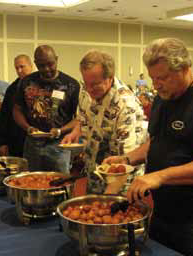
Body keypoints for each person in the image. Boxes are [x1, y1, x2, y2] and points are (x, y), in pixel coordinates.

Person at [104, 38, 193, 256]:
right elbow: (156, 142)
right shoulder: (162, 99)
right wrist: (127, 159)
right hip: (164, 211)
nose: (156, 85)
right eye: (153, 78)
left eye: (162, 78)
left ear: (184, 68)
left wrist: (158, 177)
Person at [61, 50, 145, 194]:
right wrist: (76, 131)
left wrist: (107, 199)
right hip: (94, 171)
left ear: (110, 78)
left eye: (94, 84)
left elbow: (125, 161)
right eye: (85, 83)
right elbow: (82, 117)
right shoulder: (86, 89)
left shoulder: (125, 104)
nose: (88, 89)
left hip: (120, 180)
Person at [13, 45, 80, 173]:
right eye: (42, 65)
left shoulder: (71, 84)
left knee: (60, 183)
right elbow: (17, 110)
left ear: (56, 59)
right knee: (31, 181)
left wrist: (60, 131)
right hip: (33, 144)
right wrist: (27, 127)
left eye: (50, 64)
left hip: (60, 145)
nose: (47, 69)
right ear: (35, 63)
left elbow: (79, 118)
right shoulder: (26, 82)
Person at [0, 54, 33, 156]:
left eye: (22, 66)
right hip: (16, 140)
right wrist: (2, 142)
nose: (19, 70)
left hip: (36, 140)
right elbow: (4, 116)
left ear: (31, 66)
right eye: (17, 68)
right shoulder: (12, 89)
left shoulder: (41, 85)